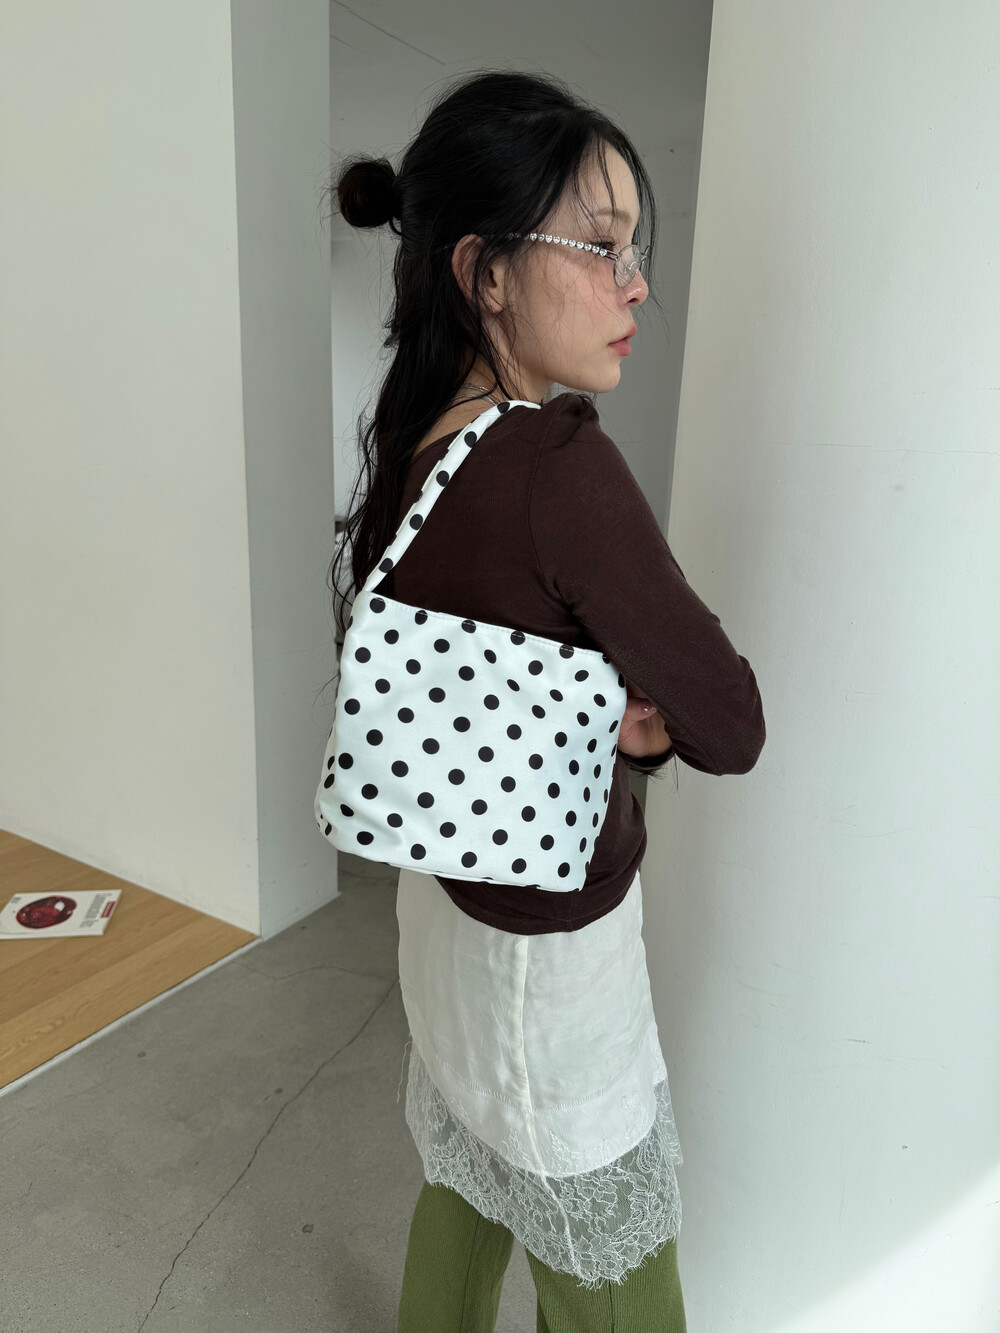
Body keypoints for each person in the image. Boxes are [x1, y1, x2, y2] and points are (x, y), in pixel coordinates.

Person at [325, 67, 766, 1333]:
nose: (636, 287)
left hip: (444, 902)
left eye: (636, 251)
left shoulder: (418, 440)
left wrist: (601, 704)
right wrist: (653, 717)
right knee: (613, 1281)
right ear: (486, 271)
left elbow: (481, 670)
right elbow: (730, 720)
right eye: (602, 246)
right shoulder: (559, 468)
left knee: (468, 1183)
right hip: (551, 965)